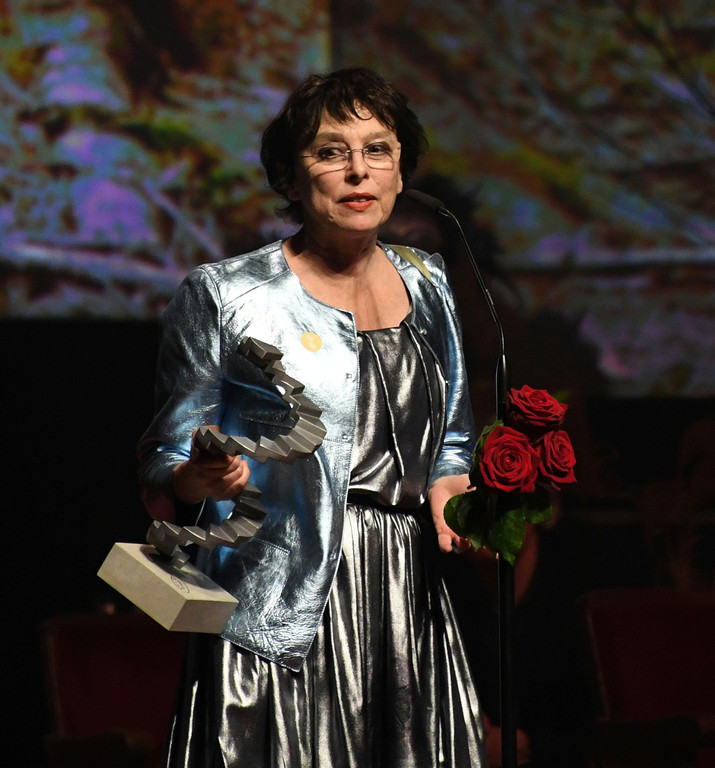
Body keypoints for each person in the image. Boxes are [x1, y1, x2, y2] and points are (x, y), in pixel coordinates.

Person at [138, 66, 487, 767]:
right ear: (292, 179)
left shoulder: (428, 280)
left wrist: (454, 489)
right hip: (277, 592)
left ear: (400, 172)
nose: (358, 170)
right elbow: (164, 455)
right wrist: (197, 475)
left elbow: (452, 436)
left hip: (404, 590)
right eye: (331, 152)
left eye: (377, 150)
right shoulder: (226, 293)